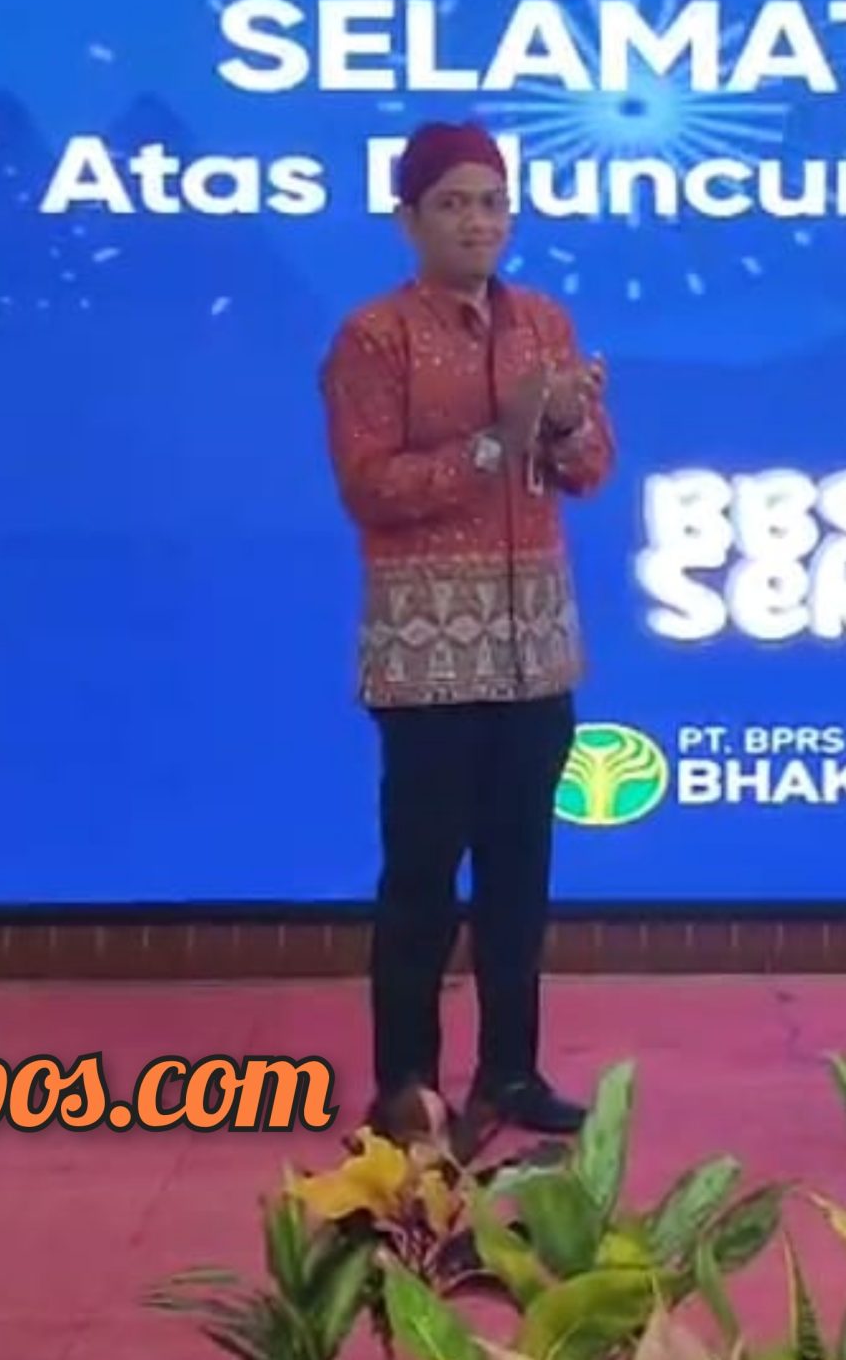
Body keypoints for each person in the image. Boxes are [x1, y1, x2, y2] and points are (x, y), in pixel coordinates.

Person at [318, 119, 615, 1140]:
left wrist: (565, 424)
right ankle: (407, 1084)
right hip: (429, 657)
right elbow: (371, 487)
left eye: (490, 203)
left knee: (520, 877)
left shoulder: (544, 322)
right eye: (452, 203)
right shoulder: (374, 337)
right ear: (409, 219)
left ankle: (510, 1074)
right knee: (420, 881)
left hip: (537, 650)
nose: (476, 222)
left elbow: (591, 469)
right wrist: (499, 440)